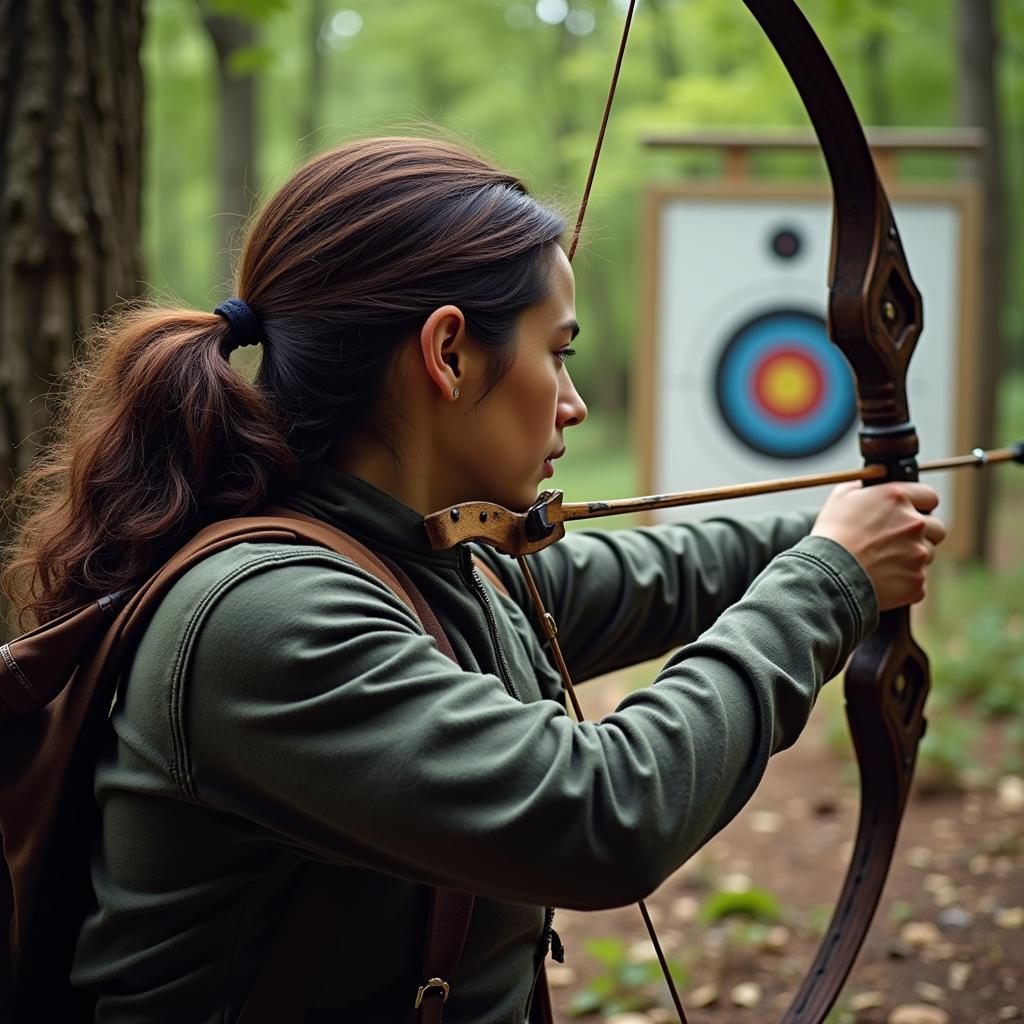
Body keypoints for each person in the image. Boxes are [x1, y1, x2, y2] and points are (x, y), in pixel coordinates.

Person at [2, 137, 946, 1024]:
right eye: (558, 351)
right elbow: (604, 816)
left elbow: (654, 576)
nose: (572, 401)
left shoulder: (435, 558)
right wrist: (832, 580)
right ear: (448, 353)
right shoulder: (266, 617)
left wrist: (849, 528)